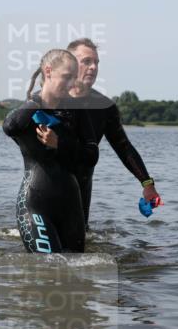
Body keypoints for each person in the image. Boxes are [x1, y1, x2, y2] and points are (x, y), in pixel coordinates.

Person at [4, 49, 99, 253]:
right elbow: (9, 127)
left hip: (72, 206)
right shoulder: (29, 111)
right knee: (49, 268)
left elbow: (91, 156)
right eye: (66, 77)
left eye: (74, 78)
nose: (72, 84)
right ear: (48, 72)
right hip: (35, 204)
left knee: (75, 270)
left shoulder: (77, 113)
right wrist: (37, 101)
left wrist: (60, 144)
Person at [66, 38, 159, 224]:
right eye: (86, 61)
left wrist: (147, 184)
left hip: (82, 186)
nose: (93, 67)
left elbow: (123, 147)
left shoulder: (104, 107)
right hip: (47, 186)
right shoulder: (51, 99)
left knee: (80, 245)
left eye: (96, 63)